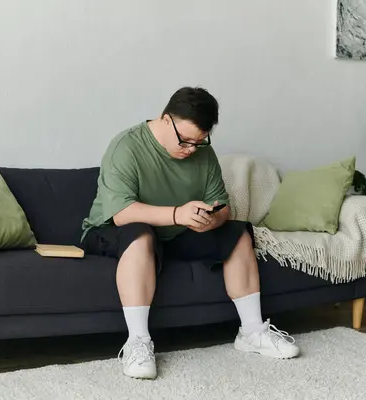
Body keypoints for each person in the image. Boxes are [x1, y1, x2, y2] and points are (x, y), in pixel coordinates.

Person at [81, 87, 300, 380]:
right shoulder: (126, 146)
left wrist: (212, 220)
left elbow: (222, 207)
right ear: (165, 119)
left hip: (176, 232)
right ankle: (138, 343)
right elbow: (122, 212)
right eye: (185, 140)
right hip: (113, 229)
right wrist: (177, 213)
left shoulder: (203, 153)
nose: (190, 149)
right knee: (141, 235)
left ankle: (252, 331)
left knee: (237, 232)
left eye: (199, 142)